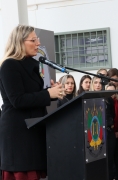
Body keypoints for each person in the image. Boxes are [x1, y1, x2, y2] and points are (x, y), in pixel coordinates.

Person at [0, 25, 64, 180]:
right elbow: (17, 100)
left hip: (34, 127)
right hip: (19, 132)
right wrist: (47, 94)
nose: (38, 44)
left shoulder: (31, 64)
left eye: (38, 40)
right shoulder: (9, 65)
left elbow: (32, 95)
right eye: (33, 40)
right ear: (20, 42)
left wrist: (52, 93)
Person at [91, 77, 116, 180]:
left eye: (100, 83)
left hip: (108, 133)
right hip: (94, 136)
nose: (98, 85)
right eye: (95, 83)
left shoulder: (108, 98)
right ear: (92, 84)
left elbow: (113, 115)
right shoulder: (87, 98)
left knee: (109, 161)